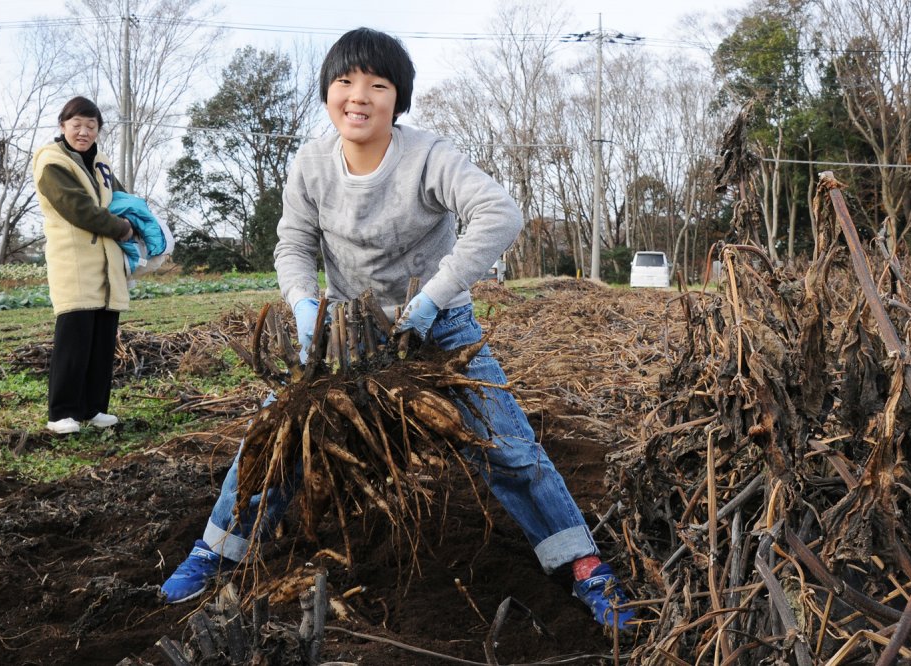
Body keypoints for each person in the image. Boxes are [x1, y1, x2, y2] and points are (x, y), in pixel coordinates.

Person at [161, 28, 635, 630]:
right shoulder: (310, 164)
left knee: (510, 449)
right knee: (274, 436)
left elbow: (499, 212)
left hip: (438, 328)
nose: (359, 96)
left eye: (377, 85)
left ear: (398, 99)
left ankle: (585, 568)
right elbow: (293, 242)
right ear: (328, 93)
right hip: (347, 332)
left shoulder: (427, 156)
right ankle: (217, 550)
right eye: (345, 82)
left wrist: (436, 296)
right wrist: (305, 304)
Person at [32, 96, 134, 435]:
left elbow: (121, 200)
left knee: (102, 340)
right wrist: (121, 227)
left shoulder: (101, 163)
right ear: (63, 126)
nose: (83, 131)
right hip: (74, 263)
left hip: (106, 265)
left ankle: (93, 409)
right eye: (76, 125)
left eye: (91, 126)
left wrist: (141, 221)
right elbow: (78, 209)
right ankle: (62, 412)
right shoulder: (52, 162)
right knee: (74, 341)